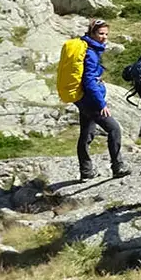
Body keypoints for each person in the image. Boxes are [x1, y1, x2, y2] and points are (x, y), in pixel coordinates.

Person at [58, 20, 128, 183]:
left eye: (106, 34)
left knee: (87, 133)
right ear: (92, 33)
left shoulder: (89, 47)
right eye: (100, 33)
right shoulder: (89, 51)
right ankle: (118, 167)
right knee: (114, 129)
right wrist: (101, 104)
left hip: (81, 98)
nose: (104, 37)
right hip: (89, 99)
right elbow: (88, 80)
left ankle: (86, 171)